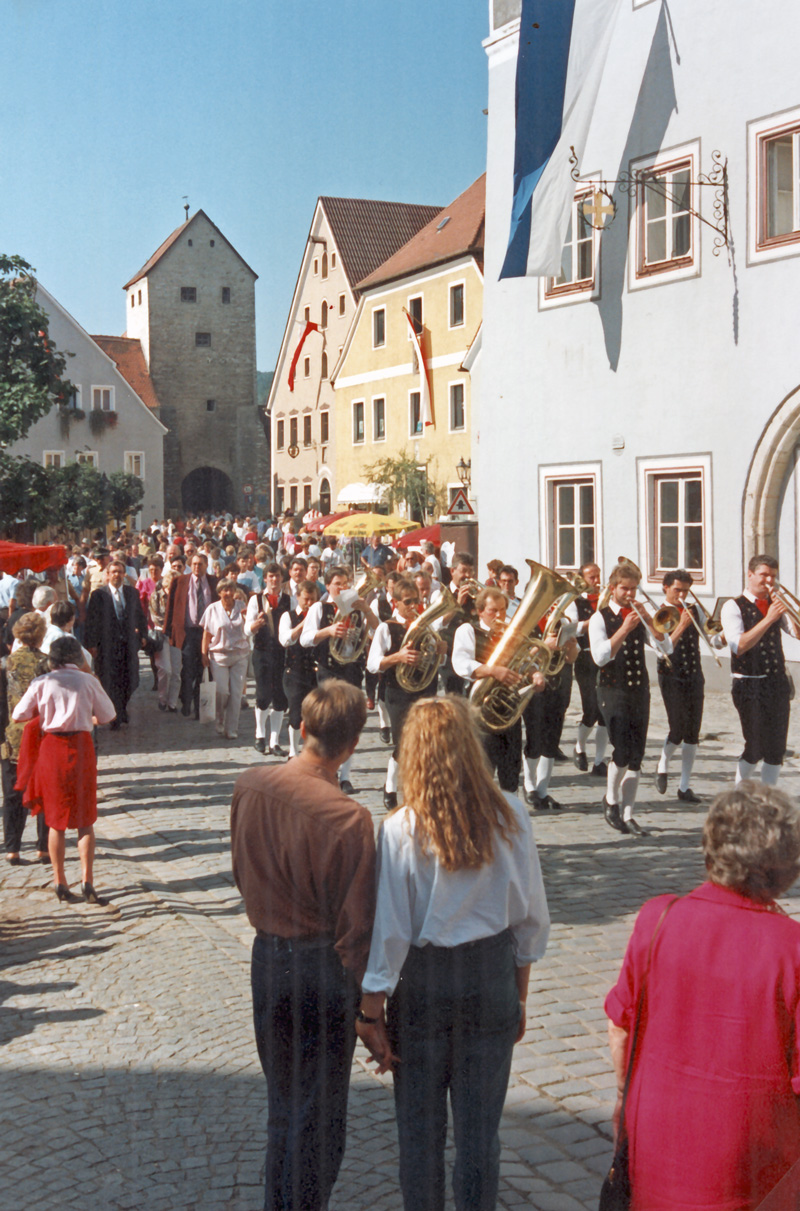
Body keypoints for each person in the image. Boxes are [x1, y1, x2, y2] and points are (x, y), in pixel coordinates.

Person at [356, 695, 550, 1211]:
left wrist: (370, 1013)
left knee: (419, 1135)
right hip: (491, 978)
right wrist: (520, 998)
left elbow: (391, 935)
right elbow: (530, 921)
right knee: (480, 1136)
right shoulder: (511, 813)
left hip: (424, 986)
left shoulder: (401, 828)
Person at [606, 782, 800, 1211]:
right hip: (755, 1171)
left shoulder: (658, 918)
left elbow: (621, 1027)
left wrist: (623, 1097)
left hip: (658, 1144)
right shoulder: (793, 949)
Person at [230, 682, 375, 1211]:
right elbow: (357, 930)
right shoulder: (349, 818)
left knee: (285, 1105)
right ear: (353, 742)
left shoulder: (250, 784)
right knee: (319, 1120)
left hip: (267, 958)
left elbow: (241, 876)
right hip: (321, 968)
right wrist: (371, 1009)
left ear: (303, 728)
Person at [13, 636, 116, 902]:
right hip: (81, 748)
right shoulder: (88, 681)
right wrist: (88, 717)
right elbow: (108, 715)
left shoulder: (42, 682)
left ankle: (60, 881)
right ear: (77, 657)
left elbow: (19, 715)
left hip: (52, 749)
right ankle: (87, 880)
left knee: (55, 821)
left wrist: (46, 713)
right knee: (85, 820)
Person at [589, 564, 672, 836]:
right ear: (613, 589)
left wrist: (650, 622)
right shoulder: (600, 618)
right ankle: (611, 799)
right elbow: (600, 657)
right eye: (624, 588)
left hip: (639, 691)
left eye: (633, 588)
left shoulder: (639, 615)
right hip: (612, 690)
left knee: (636, 757)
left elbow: (665, 648)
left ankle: (628, 813)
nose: (629, 593)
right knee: (622, 751)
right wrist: (624, 629)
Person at [453, 586, 544, 794]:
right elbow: (460, 663)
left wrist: (535, 674)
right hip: (480, 707)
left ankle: (510, 813)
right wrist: (493, 671)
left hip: (509, 706)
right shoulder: (468, 630)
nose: (499, 615)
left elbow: (524, 661)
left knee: (511, 765)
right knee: (482, 766)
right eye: (493, 610)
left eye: (502, 610)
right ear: (480, 611)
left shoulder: (511, 633)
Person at [721, 554, 800, 785]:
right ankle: (739, 793)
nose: (769, 581)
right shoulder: (733, 606)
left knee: (776, 749)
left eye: (773, 576)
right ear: (750, 574)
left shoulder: (775, 604)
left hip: (776, 682)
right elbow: (739, 646)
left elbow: (797, 633)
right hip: (748, 683)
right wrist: (768, 618)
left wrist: (783, 610)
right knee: (754, 746)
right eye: (764, 575)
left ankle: (768, 800)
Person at [367, 577, 441, 809]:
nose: (413, 606)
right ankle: (391, 787)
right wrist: (398, 657)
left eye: (416, 601)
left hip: (425, 689)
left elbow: (438, 660)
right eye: (407, 602)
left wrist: (442, 651)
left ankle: (420, 789)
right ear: (395, 603)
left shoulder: (425, 625)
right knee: (403, 742)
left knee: (426, 743)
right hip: (397, 692)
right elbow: (372, 663)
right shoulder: (386, 627)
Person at [654, 569, 710, 802]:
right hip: (671, 674)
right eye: (677, 590)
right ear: (666, 588)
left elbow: (713, 637)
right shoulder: (658, 614)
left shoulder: (694, 610)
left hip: (694, 673)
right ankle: (663, 764)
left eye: (686, 591)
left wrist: (722, 634)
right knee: (677, 727)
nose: (682, 595)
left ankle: (684, 786)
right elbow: (662, 649)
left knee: (693, 733)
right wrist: (682, 626)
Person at [2, 613, 50, 865]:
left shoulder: (5, 663)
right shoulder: (48, 664)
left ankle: (12, 848)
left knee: (12, 792)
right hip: (41, 733)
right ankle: (43, 847)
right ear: (41, 636)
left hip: (11, 736)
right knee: (43, 789)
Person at [84, 558, 147, 728]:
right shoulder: (99, 595)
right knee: (110, 680)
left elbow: (140, 616)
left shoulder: (131, 593)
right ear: (107, 575)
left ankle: (122, 707)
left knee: (131, 679)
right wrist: (91, 645)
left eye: (119, 572)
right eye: (113, 572)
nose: (117, 575)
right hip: (106, 645)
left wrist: (143, 634)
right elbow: (91, 621)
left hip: (128, 643)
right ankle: (116, 714)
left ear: (124, 574)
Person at [564, 562, 608, 776]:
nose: (597, 580)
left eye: (598, 575)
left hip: (607, 658)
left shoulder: (606, 600)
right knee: (591, 708)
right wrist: (593, 621)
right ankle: (580, 746)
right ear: (582, 579)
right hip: (585, 657)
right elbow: (571, 628)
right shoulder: (574, 601)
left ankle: (600, 761)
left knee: (605, 712)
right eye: (592, 577)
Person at [164, 552, 218, 719]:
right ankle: (186, 702)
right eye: (194, 564)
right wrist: (169, 631)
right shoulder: (180, 582)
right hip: (187, 632)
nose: (196, 567)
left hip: (207, 632)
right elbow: (171, 607)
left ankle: (199, 706)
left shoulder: (214, 582)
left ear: (206, 565)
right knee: (187, 669)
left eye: (200, 564)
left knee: (203, 670)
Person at [245, 562, 290, 755]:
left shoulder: (289, 600)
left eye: (277, 576)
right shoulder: (256, 600)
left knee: (280, 697)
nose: (274, 579)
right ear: (265, 578)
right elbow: (246, 629)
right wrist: (255, 625)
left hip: (282, 653)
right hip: (262, 652)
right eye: (270, 576)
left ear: (281, 578)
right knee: (263, 695)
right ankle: (259, 734)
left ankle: (274, 741)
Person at [200, 578, 250, 740]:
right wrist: (203, 654)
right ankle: (220, 718)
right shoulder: (212, 609)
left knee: (236, 694)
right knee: (222, 692)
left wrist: (249, 617)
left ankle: (231, 728)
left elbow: (250, 627)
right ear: (219, 592)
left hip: (239, 655)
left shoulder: (242, 607)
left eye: (231, 589)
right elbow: (206, 634)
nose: (228, 593)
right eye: (225, 590)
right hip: (219, 656)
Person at [278, 579, 319, 758]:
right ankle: (293, 751)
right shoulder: (288, 616)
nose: (309, 604)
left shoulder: (320, 616)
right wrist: (304, 623)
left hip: (315, 671)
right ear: (298, 597)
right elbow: (285, 640)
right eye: (306, 599)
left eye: (312, 600)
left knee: (315, 715)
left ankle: (311, 750)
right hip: (294, 671)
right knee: (295, 712)